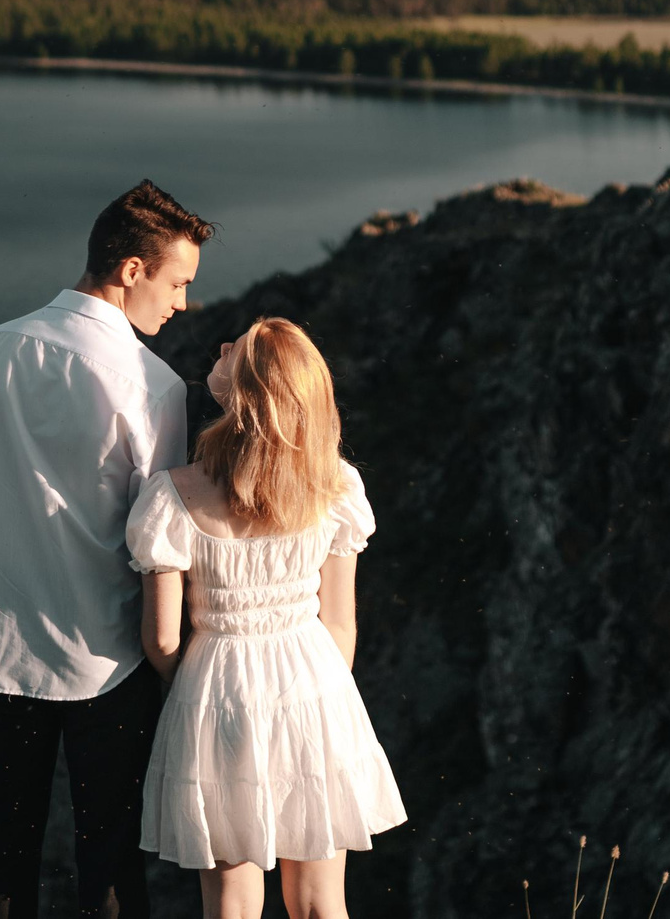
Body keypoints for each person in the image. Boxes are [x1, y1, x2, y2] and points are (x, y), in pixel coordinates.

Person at [0, 180, 215, 919]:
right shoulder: (151, 385)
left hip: (1, 651)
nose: (182, 302)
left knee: (2, 855)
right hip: (109, 657)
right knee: (111, 857)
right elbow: (160, 536)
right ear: (131, 270)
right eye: (177, 281)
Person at [126, 317, 407, 919]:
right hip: (315, 681)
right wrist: (320, 693)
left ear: (246, 395)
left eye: (237, 351)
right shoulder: (335, 487)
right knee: (319, 899)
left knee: (232, 898)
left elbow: (162, 638)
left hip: (217, 685)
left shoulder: (172, 496)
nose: (222, 347)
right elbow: (341, 624)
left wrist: (198, 687)